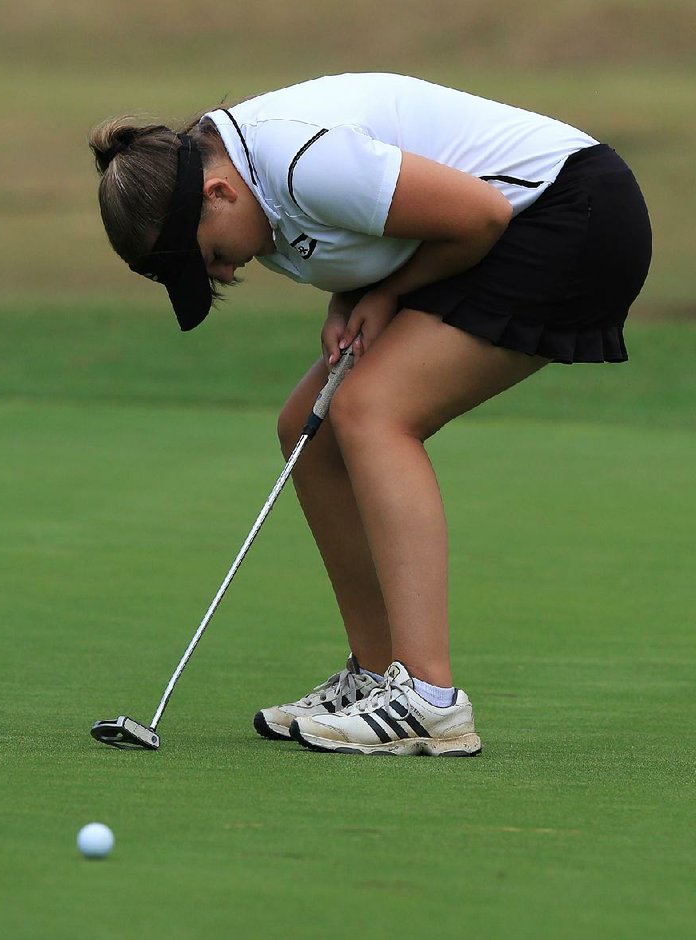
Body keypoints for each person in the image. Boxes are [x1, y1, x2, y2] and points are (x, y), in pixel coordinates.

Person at [89, 72, 652, 756]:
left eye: (211, 257)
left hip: (568, 216)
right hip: (503, 233)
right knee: (307, 427)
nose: (228, 274)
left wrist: (385, 297)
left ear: (218, 192)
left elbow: (479, 215)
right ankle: (377, 672)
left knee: (372, 412)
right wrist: (351, 298)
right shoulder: (246, 180)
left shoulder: (300, 162)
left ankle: (428, 698)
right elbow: (374, 233)